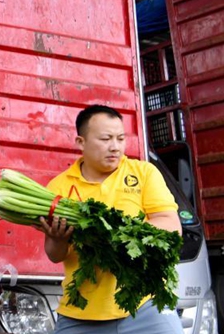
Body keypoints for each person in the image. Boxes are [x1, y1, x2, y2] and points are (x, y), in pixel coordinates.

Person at [39, 105, 182, 333]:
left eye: (120, 138)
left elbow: (171, 227)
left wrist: (117, 234)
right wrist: (57, 238)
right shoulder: (58, 188)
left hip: (145, 303)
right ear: (80, 142)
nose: (115, 147)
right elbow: (54, 255)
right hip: (81, 311)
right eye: (105, 139)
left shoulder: (143, 173)